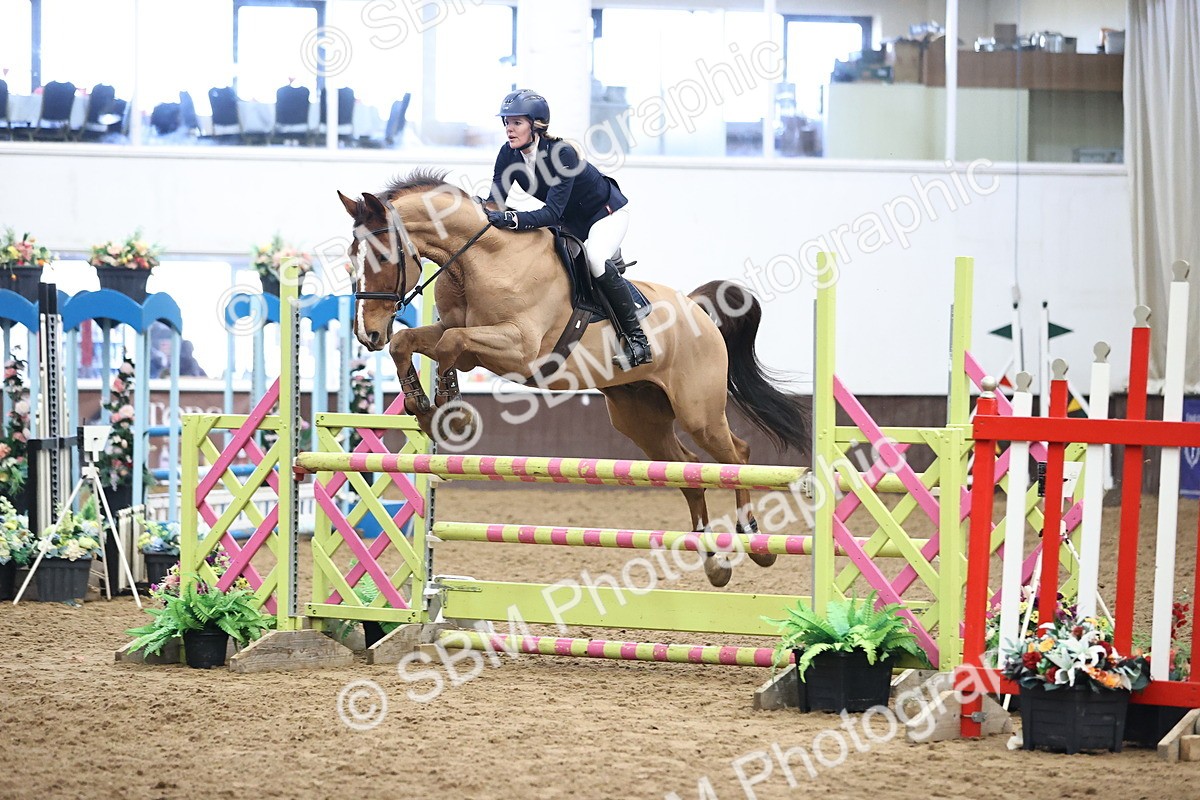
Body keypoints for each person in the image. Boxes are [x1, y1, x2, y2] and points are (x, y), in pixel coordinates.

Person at [484, 89, 652, 369]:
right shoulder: (508, 154)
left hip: (604, 214)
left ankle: (638, 340)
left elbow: (551, 213)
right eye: (506, 122)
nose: (509, 129)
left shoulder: (562, 154)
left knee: (595, 258)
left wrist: (512, 219)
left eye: (517, 123)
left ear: (536, 125)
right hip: (570, 222)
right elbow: (495, 202)